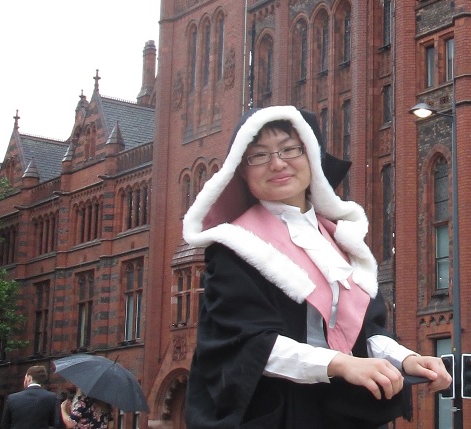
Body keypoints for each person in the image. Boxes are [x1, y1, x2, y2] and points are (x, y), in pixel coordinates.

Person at [183, 105, 452, 429]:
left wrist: (406, 359)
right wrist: (340, 365)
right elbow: (248, 347)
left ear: (311, 154)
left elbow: (361, 331)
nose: (277, 163)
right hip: (278, 414)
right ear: (241, 170)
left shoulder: (339, 242)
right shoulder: (235, 249)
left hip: (339, 413)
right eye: (259, 155)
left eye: (289, 149)